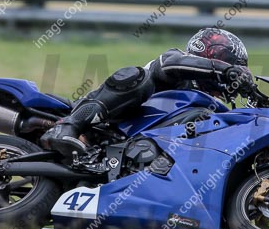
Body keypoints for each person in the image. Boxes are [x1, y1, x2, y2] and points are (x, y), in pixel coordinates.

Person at [41, 28, 255, 158]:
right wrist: (225, 70)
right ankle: (69, 126)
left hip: (137, 152)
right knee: (138, 77)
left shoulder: (209, 108)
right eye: (233, 67)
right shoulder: (176, 62)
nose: (233, 80)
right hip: (106, 126)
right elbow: (171, 64)